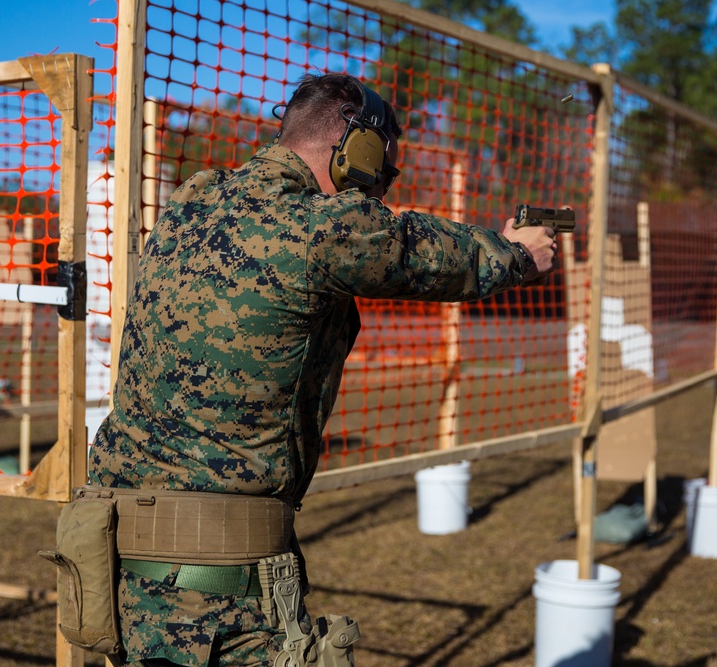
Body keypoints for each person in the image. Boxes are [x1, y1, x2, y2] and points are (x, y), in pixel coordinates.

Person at [85, 72, 556, 666]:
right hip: (221, 590)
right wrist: (516, 254)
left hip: (121, 563)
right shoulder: (321, 226)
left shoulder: (190, 202)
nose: (385, 180)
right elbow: (419, 249)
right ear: (354, 147)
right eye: (384, 162)